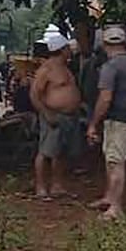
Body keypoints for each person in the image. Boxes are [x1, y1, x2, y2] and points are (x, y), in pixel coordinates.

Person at [87, 25, 126, 219]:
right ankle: (109, 198)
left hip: (119, 119)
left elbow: (105, 98)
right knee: (111, 159)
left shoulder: (110, 67)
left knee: (116, 162)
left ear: (104, 44)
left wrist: (93, 123)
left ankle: (115, 207)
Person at [29, 32, 81, 199]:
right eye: (67, 48)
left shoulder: (65, 67)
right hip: (53, 115)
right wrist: (46, 113)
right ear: (62, 49)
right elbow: (35, 94)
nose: (70, 50)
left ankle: (57, 185)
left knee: (61, 152)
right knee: (45, 152)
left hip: (69, 116)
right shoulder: (46, 70)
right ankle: (40, 187)